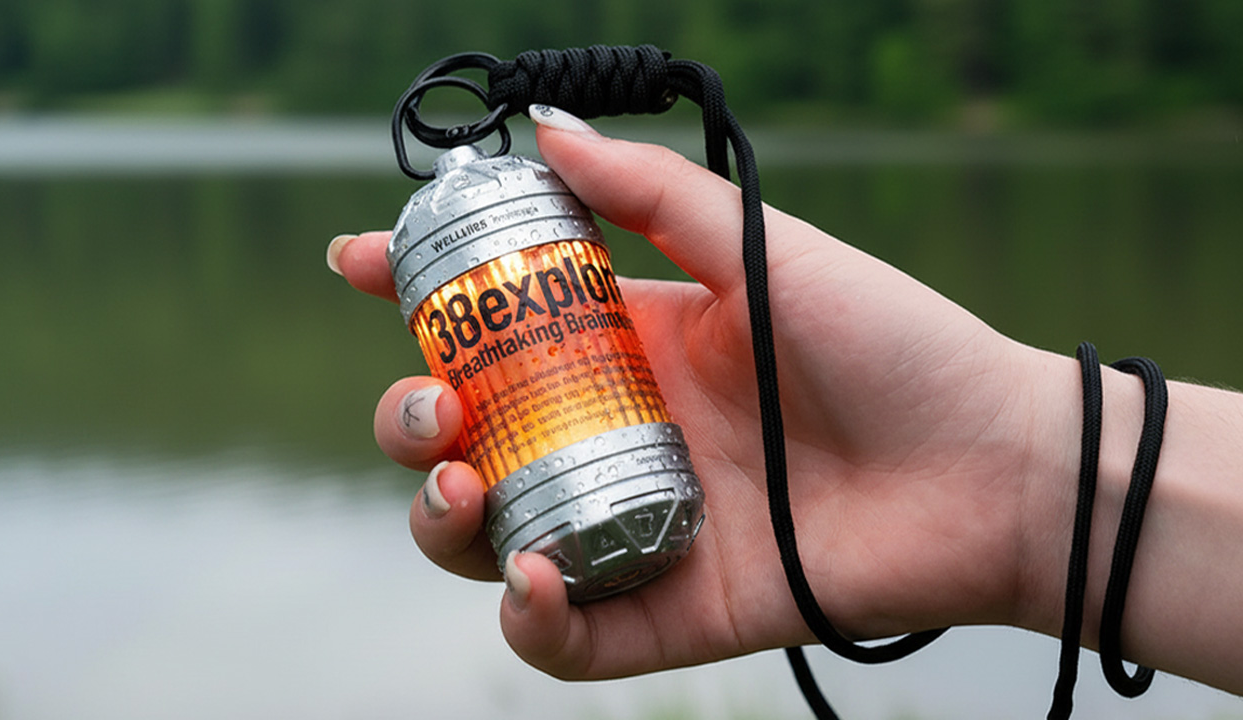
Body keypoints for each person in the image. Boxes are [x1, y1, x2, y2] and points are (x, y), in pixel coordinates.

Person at [327, 105, 1243, 695]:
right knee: (444, 436)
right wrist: (1030, 484)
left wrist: (1026, 463)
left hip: (653, 491)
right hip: (624, 501)